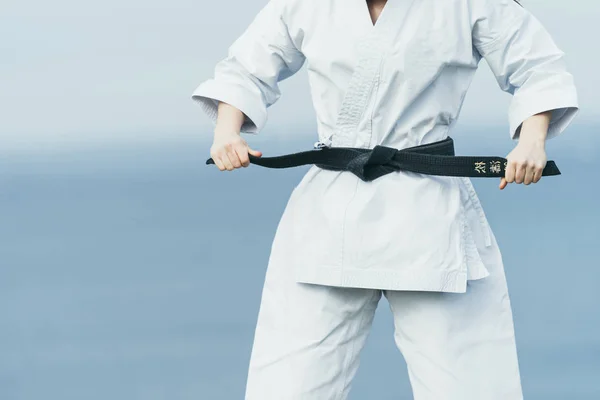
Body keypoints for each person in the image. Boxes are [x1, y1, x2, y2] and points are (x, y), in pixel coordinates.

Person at [191, 0, 579, 398]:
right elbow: (245, 68)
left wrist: (532, 141)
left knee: (472, 385)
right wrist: (226, 132)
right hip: (330, 213)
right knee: (287, 386)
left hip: (428, 211)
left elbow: (538, 68)